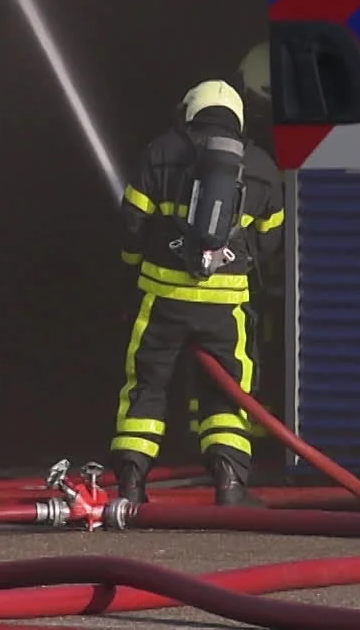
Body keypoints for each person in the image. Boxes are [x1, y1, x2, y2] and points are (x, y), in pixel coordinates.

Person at [110, 79, 286, 507]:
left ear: (188, 111)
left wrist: (134, 264)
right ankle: (230, 486)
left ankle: (131, 486)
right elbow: (270, 240)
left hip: (162, 301)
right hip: (226, 308)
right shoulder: (261, 164)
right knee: (228, 393)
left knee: (146, 386)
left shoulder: (160, 152)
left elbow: (131, 224)